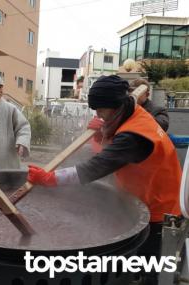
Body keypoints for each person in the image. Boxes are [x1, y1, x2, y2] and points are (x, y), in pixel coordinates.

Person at [27, 75, 182, 285]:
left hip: (161, 209)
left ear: (116, 105)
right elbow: (116, 146)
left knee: (151, 268)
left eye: (101, 110)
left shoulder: (135, 135)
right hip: (145, 197)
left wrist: (51, 178)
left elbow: (96, 167)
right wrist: (104, 132)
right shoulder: (133, 111)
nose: (98, 114)